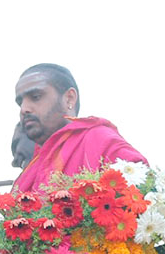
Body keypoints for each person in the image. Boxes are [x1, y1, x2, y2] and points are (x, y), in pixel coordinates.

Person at [13, 63, 146, 191]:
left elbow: (143, 187)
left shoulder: (99, 140)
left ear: (69, 98)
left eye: (35, 97)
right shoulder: (31, 167)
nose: (24, 109)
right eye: (20, 103)